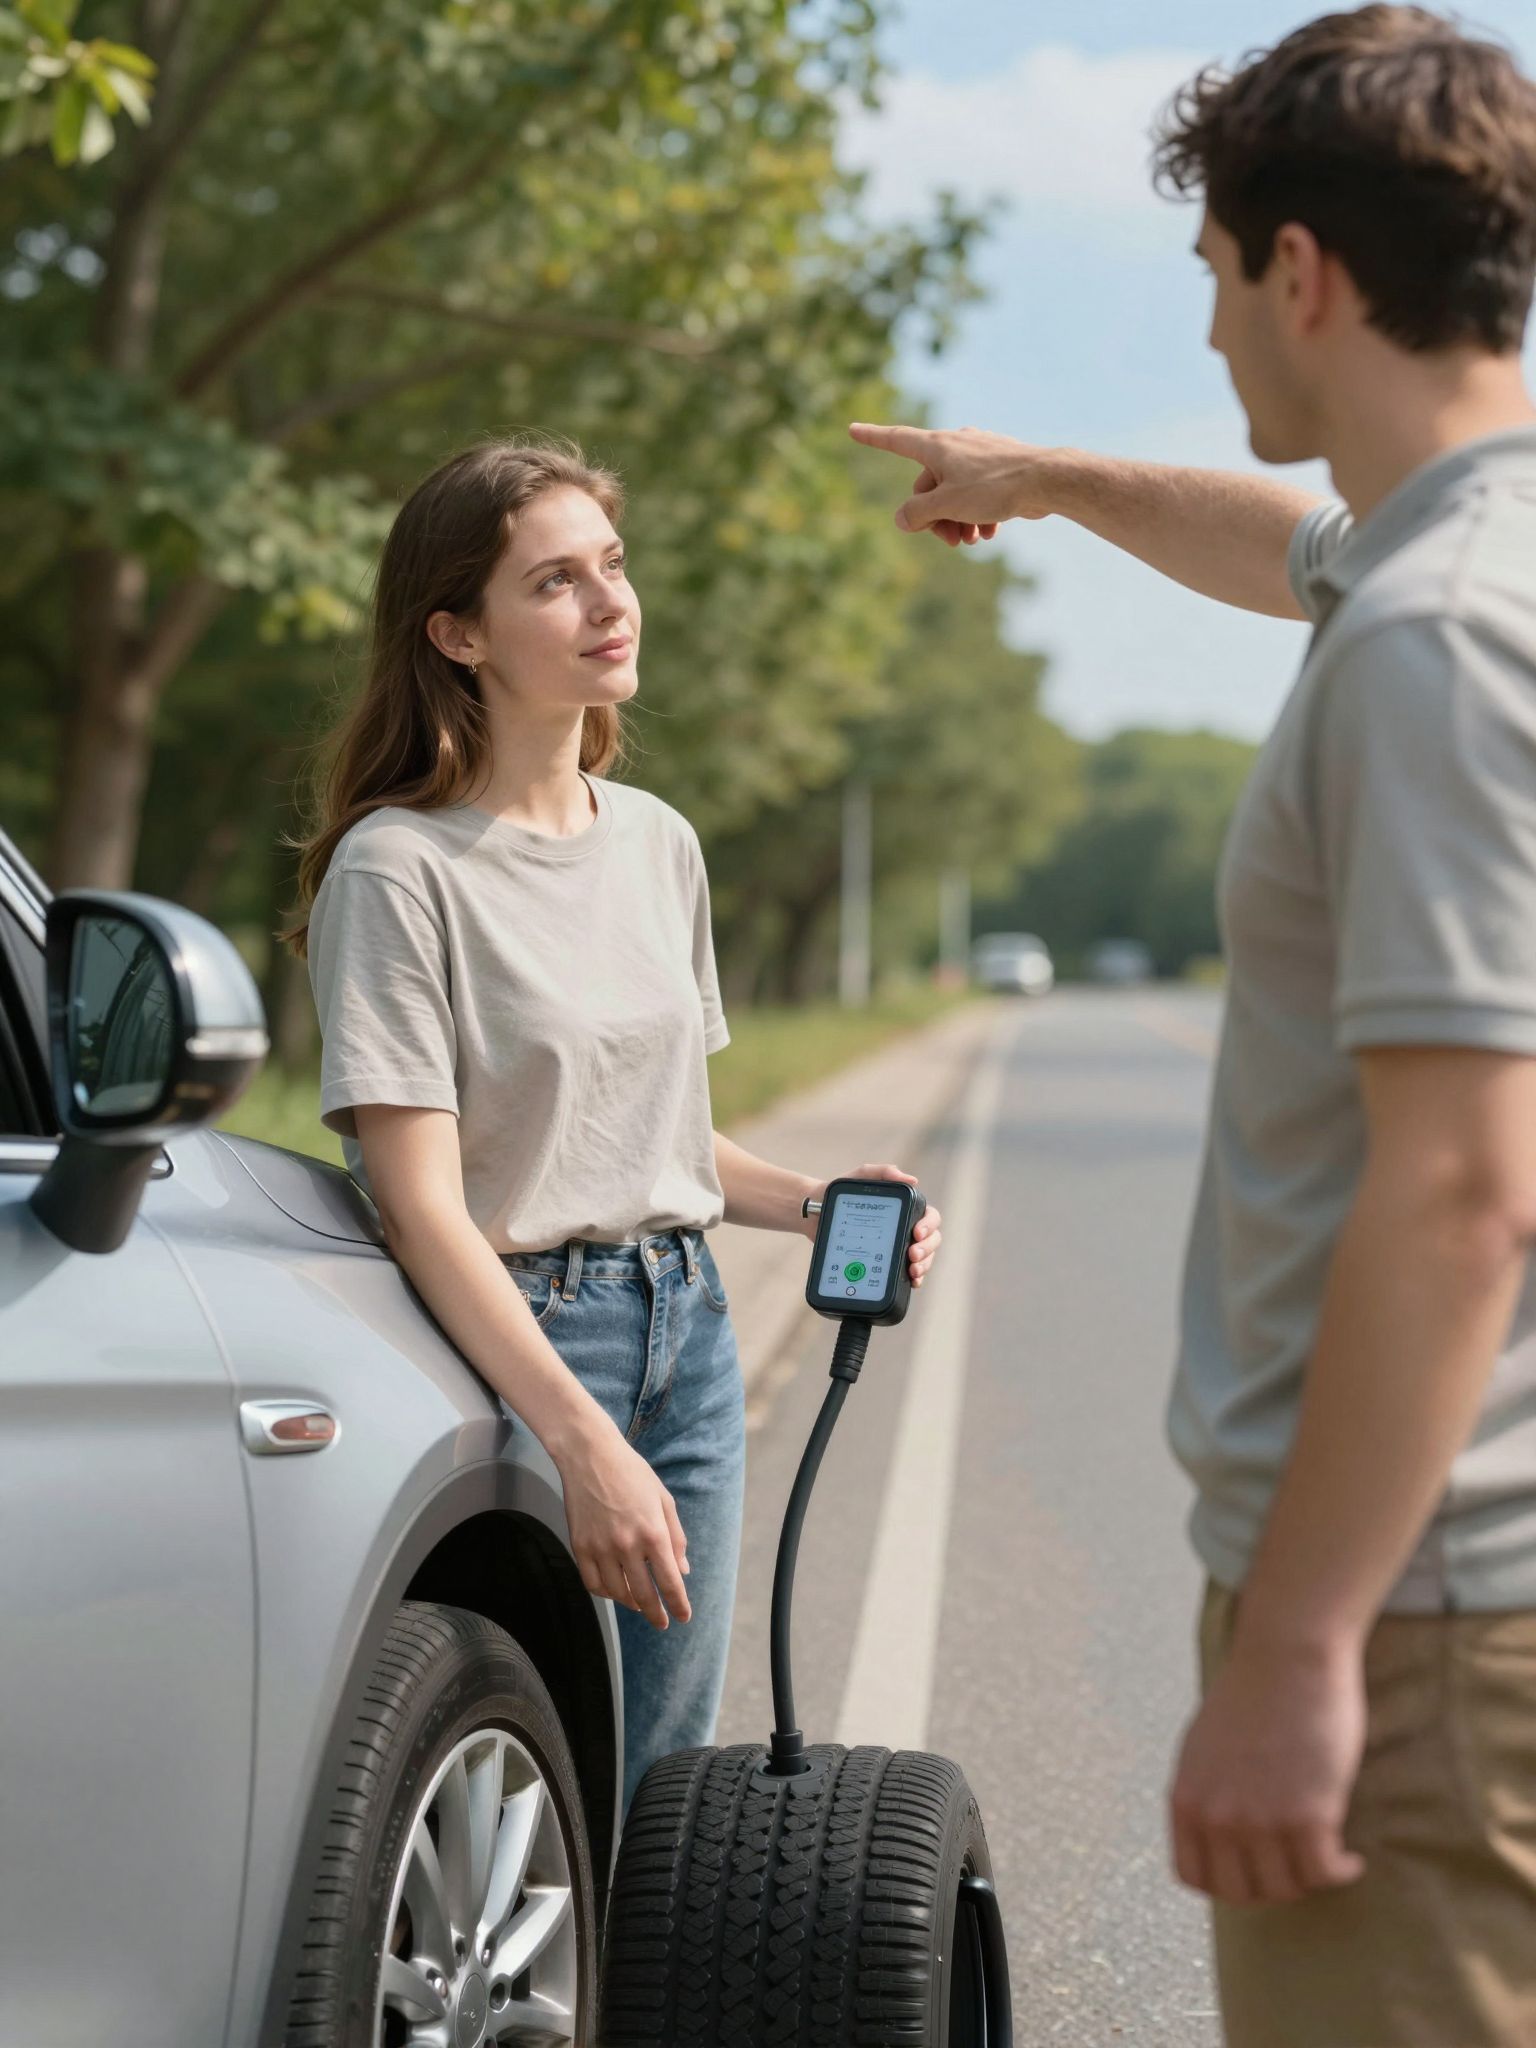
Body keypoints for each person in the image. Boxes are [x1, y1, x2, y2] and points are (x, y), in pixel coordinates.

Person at [851, 8, 1536, 2045]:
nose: (1217, 332)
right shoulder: (1459, 568)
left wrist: (1308, 1649)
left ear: (1300, 272)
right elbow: (1297, 550)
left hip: (1425, 1614)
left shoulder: (1438, 639)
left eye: (1217, 280)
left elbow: (1459, 1190)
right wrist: (1042, 477)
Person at [280, 434, 942, 1817]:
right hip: (514, 1347)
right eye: (556, 582)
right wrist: (580, 1441)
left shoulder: (658, 842)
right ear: (456, 632)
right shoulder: (397, 872)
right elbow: (419, 1206)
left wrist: (814, 1205)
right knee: (525, 1763)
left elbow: (658, 1141)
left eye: (613, 567)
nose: (609, 604)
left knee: (662, 1774)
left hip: (688, 1334)